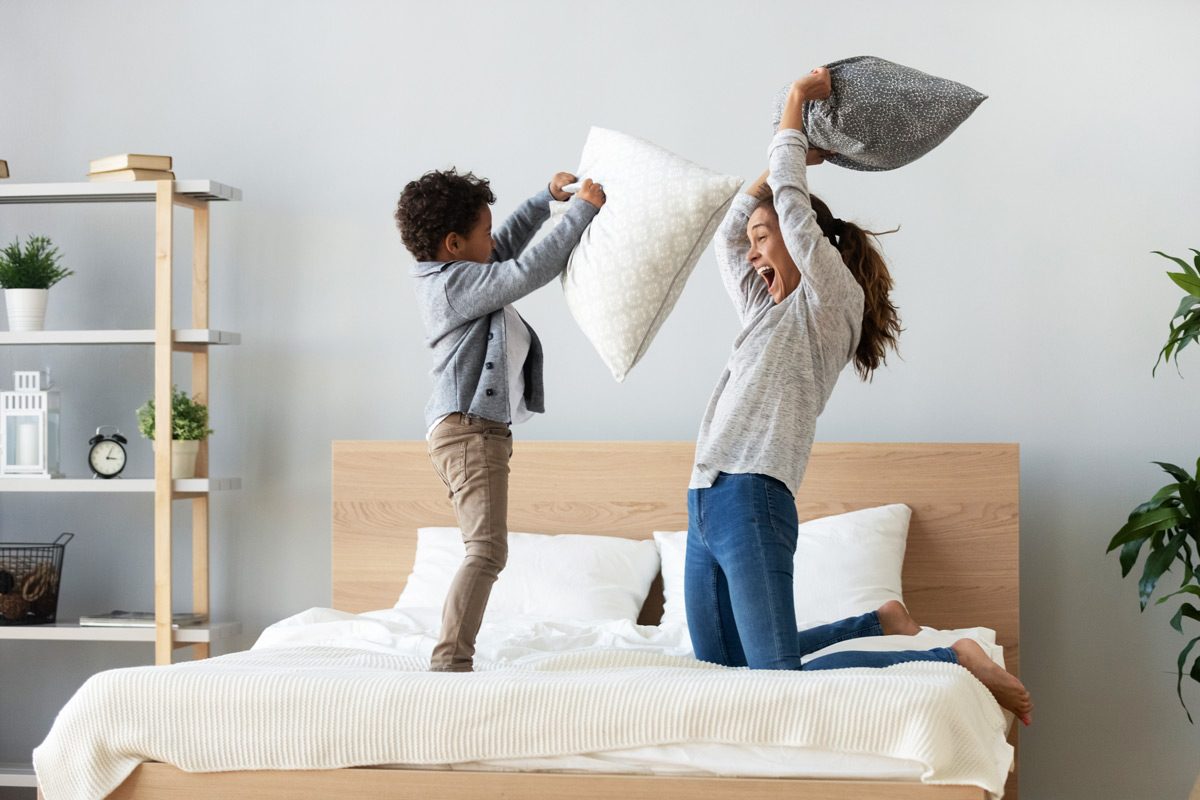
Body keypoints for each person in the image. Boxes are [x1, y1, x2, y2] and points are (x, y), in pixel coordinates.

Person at [685, 67, 1032, 725]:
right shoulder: (764, 308)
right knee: (725, 667)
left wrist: (792, 111)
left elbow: (789, 203)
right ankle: (878, 620)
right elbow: (732, 233)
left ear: (804, 240)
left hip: (753, 497)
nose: (755, 252)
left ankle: (953, 658)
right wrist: (781, 166)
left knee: (776, 680)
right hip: (704, 497)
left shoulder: (830, 301)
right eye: (758, 241)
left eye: (769, 239)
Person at [396, 168, 605, 671]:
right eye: (483, 232)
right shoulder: (452, 287)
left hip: (472, 429)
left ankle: (451, 657)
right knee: (486, 551)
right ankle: (450, 662)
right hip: (468, 429)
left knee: (484, 549)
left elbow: (506, 249)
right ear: (453, 244)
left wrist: (545, 200)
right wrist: (582, 212)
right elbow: (525, 270)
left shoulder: (459, 272)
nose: (493, 239)